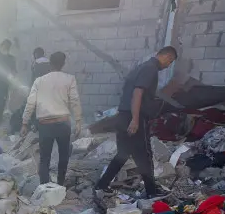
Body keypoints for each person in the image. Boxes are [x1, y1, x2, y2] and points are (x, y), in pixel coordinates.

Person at [96, 46, 178, 198]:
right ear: (166, 56)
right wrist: (135, 119)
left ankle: (101, 185)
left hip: (123, 115)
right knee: (144, 155)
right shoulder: (150, 69)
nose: (168, 65)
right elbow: (137, 93)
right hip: (134, 117)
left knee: (124, 153)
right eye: (170, 61)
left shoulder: (141, 67)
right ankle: (151, 191)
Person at [20, 51, 81, 186]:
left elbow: (31, 103)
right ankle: (60, 185)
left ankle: (44, 188)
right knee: (63, 156)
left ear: (50, 64)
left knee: (44, 159)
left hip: (45, 125)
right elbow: (75, 101)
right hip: (63, 123)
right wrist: (78, 121)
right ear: (63, 64)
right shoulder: (69, 79)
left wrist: (24, 123)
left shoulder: (39, 81)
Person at [11, 47, 53, 133]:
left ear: (35, 55)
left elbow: (33, 79)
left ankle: (34, 129)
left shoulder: (35, 63)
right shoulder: (50, 63)